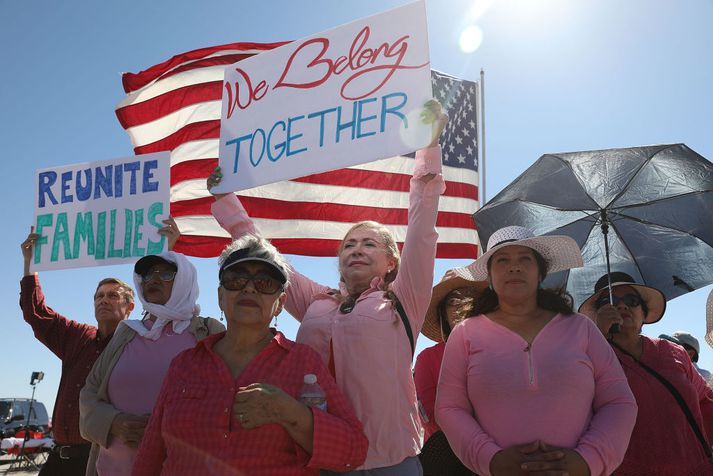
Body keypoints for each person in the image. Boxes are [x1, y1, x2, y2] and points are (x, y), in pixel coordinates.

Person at [207, 100, 447, 473]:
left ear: (392, 261)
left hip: (391, 463)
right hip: (322, 459)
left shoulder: (404, 298)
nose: (357, 249)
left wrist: (428, 148)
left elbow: (422, 219)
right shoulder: (315, 301)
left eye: (369, 244)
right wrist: (226, 201)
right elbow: (266, 256)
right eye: (349, 245)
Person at [132, 234, 368, 475]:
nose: (249, 288)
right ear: (220, 297)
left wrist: (290, 413)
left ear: (280, 303)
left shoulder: (304, 363)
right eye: (236, 279)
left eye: (265, 283)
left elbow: (354, 451)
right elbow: (151, 453)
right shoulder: (183, 365)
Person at [436, 226, 638, 476]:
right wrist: (491, 459)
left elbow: (618, 401)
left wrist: (589, 460)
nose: (514, 267)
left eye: (525, 258)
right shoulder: (465, 334)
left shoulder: (581, 328)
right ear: (488, 276)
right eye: (502, 260)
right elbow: (449, 408)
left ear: (541, 272)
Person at [79, 221, 225, 476]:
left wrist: (167, 430)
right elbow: (89, 394)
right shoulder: (127, 332)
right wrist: (115, 423)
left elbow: (227, 398)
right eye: (148, 274)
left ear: (184, 281)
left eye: (165, 273)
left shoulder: (208, 332)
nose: (153, 279)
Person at [20, 229, 135, 475]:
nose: (103, 300)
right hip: (57, 459)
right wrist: (30, 263)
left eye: (113, 296)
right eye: (99, 296)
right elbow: (36, 313)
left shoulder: (136, 346)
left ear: (130, 307)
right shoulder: (77, 336)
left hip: (98, 461)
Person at [580, 272, 713, 475]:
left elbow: (704, 401)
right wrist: (598, 337)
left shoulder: (673, 351)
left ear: (643, 313)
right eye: (610, 301)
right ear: (596, 316)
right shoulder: (586, 360)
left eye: (632, 301)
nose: (622, 306)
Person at [415, 271, 485, 476]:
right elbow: (430, 413)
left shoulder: (501, 350)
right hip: (447, 453)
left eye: (469, 297)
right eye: (452, 300)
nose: (460, 305)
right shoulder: (427, 358)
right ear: (443, 312)